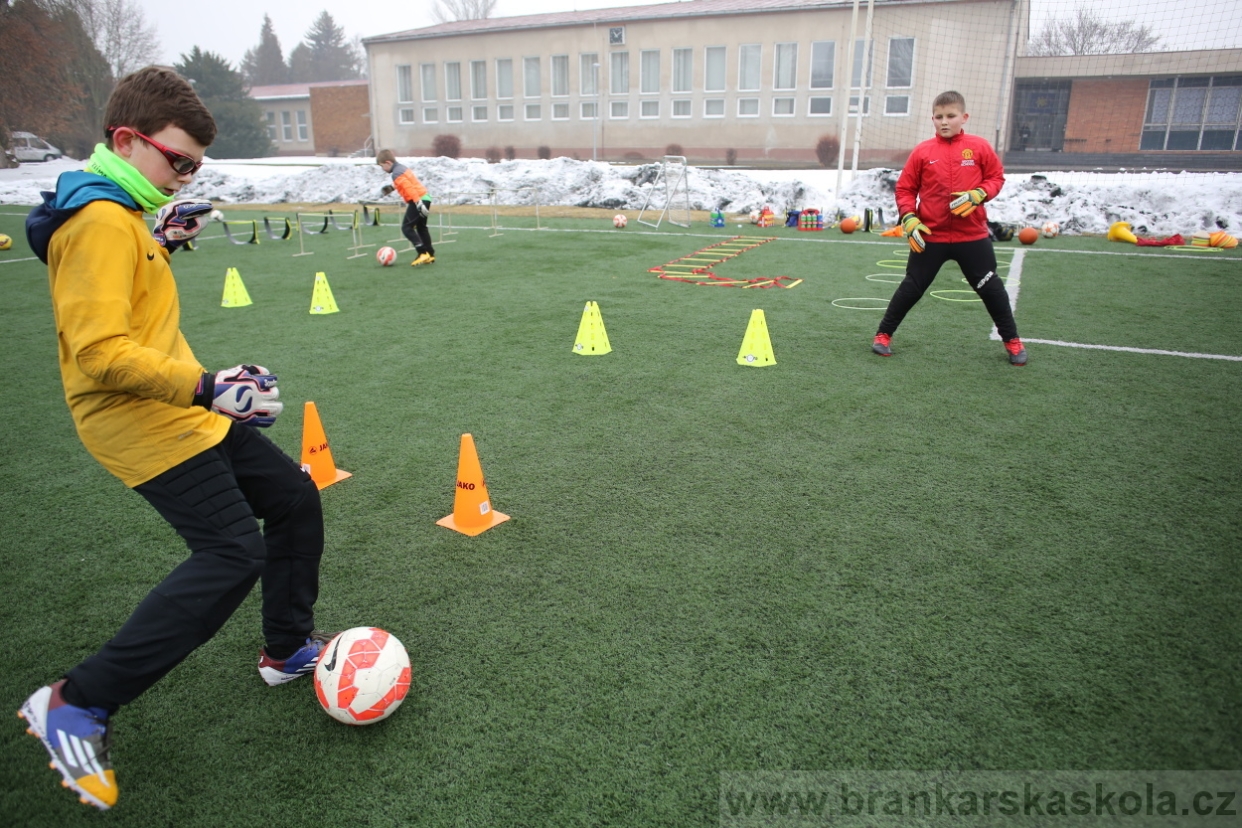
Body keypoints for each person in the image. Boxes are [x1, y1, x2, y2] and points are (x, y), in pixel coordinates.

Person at [19, 66, 331, 811]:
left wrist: (159, 236)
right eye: (177, 161)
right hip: (140, 419)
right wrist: (208, 386)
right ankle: (74, 703)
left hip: (185, 406)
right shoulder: (99, 221)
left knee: (292, 498)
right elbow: (97, 351)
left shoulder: (121, 211)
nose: (186, 176)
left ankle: (286, 650)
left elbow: (109, 277)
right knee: (231, 553)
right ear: (127, 141)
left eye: (195, 167)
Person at [872, 90, 1027, 366]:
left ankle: (1013, 341)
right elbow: (906, 189)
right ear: (932, 118)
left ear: (964, 117)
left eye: (951, 116)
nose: (944, 122)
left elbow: (996, 177)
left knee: (991, 288)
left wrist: (980, 193)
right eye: (939, 117)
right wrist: (908, 217)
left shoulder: (978, 147)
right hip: (932, 236)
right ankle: (883, 335)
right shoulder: (922, 151)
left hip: (972, 236)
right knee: (912, 286)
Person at [377, 149, 436, 266]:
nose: (382, 169)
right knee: (421, 227)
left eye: (382, 166)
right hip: (426, 198)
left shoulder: (396, 173)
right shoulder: (402, 168)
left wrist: (418, 204)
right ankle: (430, 254)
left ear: (388, 163)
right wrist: (392, 188)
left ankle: (422, 253)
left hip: (418, 200)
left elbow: (410, 189)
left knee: (406, 227)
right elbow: (407, 182)